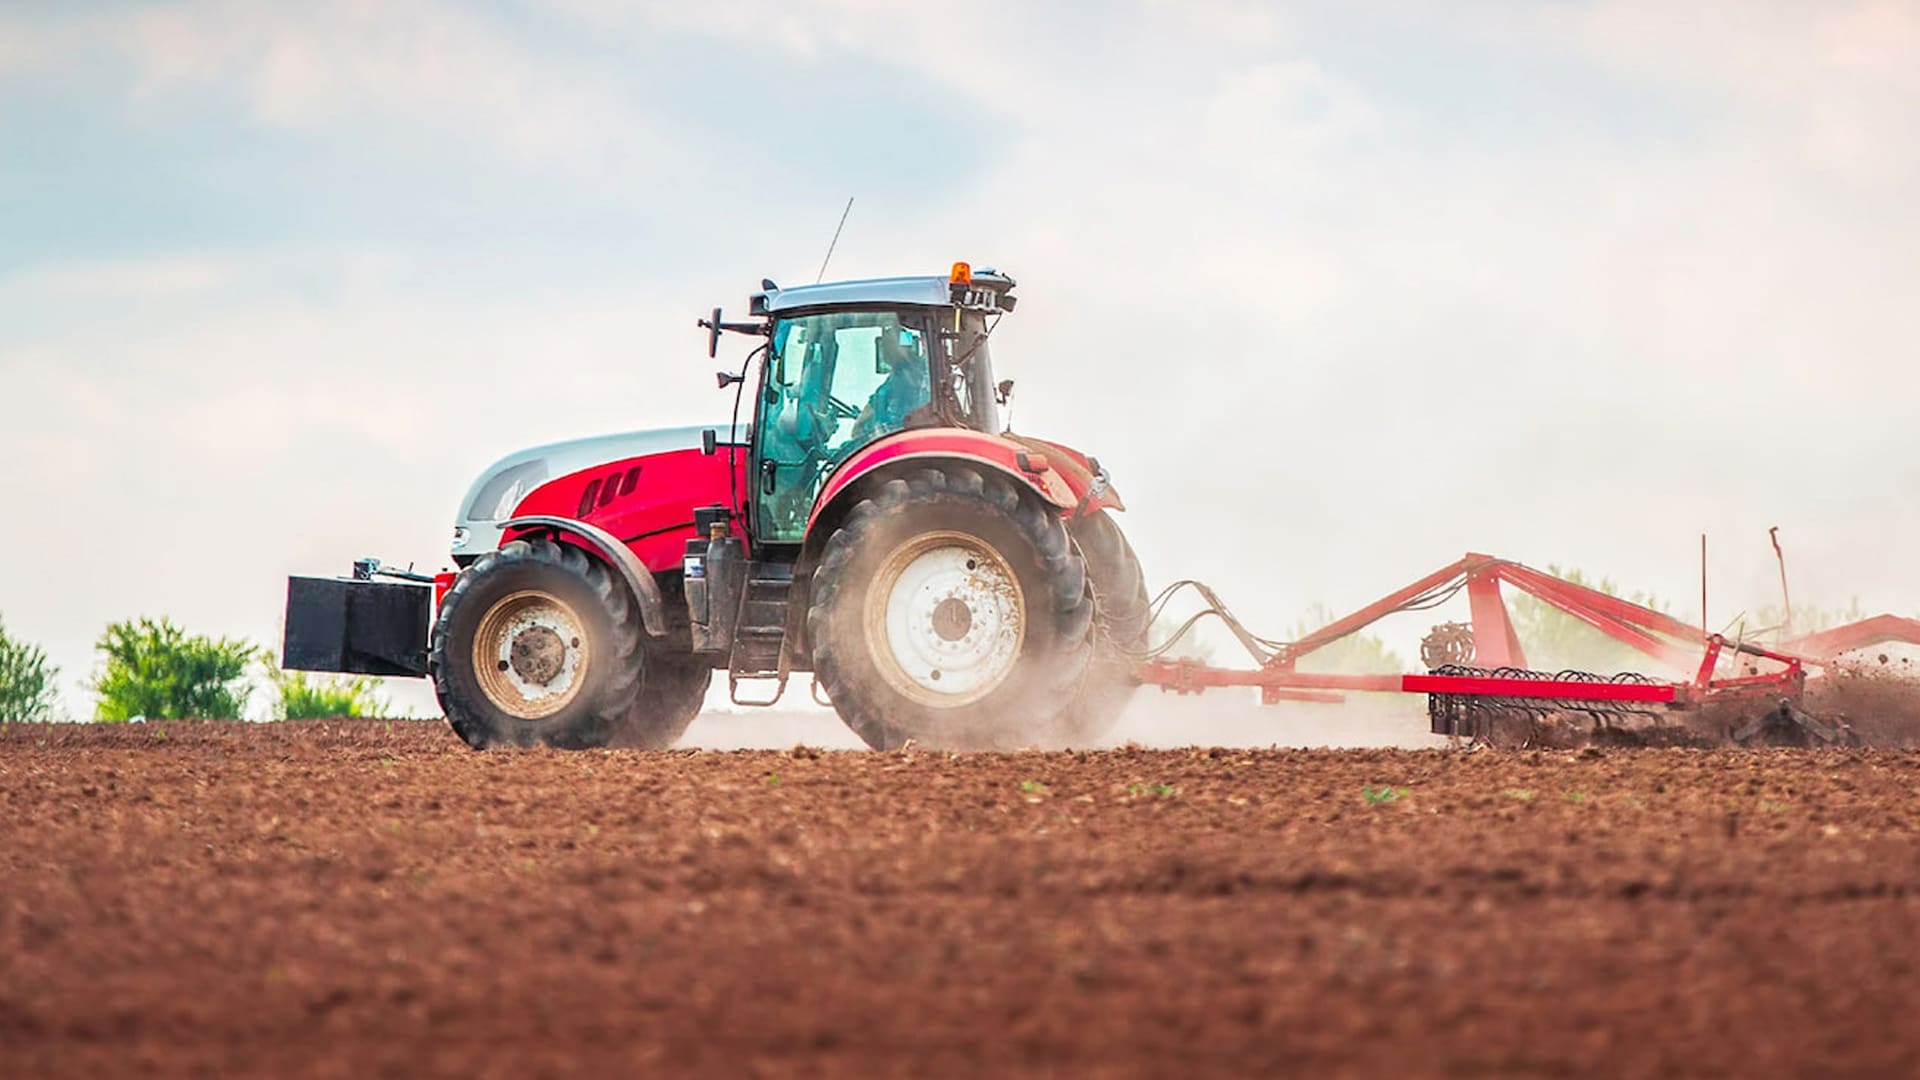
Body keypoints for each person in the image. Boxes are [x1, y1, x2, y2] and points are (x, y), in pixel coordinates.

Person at [848, 328, 931, 446]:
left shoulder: (909, 376)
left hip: (898, 442)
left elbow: (862, 421)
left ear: (901, 347)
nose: (884, 350)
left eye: (888, 344)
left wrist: (860, 423)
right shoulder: (898, 375)